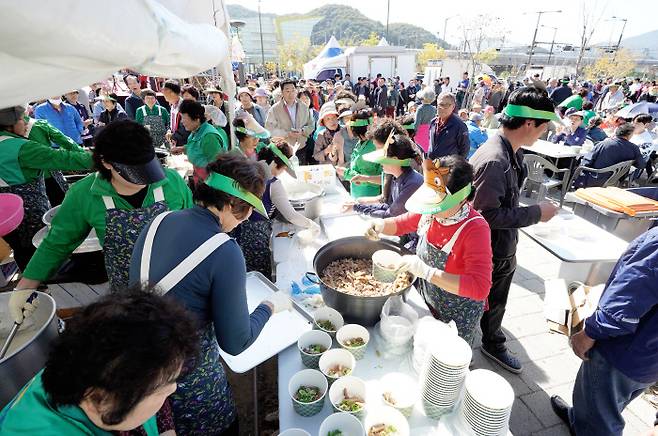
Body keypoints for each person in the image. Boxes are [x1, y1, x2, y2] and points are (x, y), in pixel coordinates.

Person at [129, 154, 292, 435]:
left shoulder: (158, 222)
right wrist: (268, 306)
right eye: (247, 208)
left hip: (137, 375)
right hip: (189, 385)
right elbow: (236, 343)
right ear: (230, 204)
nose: (249, 217)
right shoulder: (224, 249)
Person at [9, 121, 192, 313]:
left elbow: (193, 229)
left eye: (148, 169)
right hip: (129, 298)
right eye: (135, 173)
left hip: (182, 288)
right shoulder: (85, 194)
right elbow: (57, 243)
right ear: (106, 162)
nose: (144, 180)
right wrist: (24, 287)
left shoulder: (171, 181)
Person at [0, 290, 199, 435]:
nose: (172, 389)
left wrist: (166, 430)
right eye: (160, 390)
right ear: (98, 401)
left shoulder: (92, 368)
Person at [470, 86, 560, 373]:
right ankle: (493, 344)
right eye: (544, 126)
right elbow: (486, 214)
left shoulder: (510, 150)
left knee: (492, 299)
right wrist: (536, 213)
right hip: (493, 249)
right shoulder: (496, 160)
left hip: (501, 244)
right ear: (529, 123)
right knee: (494, 300)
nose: (544, 133)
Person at [365, 156, 492, 344]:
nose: (431, 209)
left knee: (445, 357)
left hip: (457, 310)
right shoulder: (431, 210)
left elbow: (480, 287)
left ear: (462, 198)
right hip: (428, 296)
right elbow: (404, 222)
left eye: (438, 204)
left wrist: (427, 272)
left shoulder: (475, 229)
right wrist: (381, 225)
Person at [550, 226, 658, 436]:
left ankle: (589, 426)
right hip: (648, 360)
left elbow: (627, 300)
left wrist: (589, 333)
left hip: (621, 352)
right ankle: (579, 421)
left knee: (602, 418)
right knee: (608, 401)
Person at [0, 106, 93, 271]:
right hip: (28, 211)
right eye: (22, 119)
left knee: (20, 249)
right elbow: (63, 158)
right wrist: (100, 158)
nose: (26, 123)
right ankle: (42, 285)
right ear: (10, 125)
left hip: (5, 214)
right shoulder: (21, 148)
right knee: (38, 251)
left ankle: (30, 290)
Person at [232, 142, 319, 278]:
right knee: (259, 277)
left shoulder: (249, 169)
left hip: (238, 229)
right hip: (256, 236)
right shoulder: (273, 184)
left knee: (243, 274)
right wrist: (311, 224)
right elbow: (291, 216)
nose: (282, 172)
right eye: (283, 168)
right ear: (274, 163)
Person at [343, 133, 423, 220]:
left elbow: (390, 214)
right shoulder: (395, 177)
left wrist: (357, 208)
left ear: (395, 160)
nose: (381, 163)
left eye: (383, 159)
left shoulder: (412, 183)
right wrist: (357, 205)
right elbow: (387, 206)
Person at [575, 123, 646, 188]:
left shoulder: (603, 144)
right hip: (615, 181)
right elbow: (641, 165)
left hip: (593, 179)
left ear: (616, 132)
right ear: (630, 135)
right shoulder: (634, 148)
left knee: (573, 168)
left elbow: (585, 163)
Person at [173, 99, 228, 184]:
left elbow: (217, 167)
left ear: (197, 119)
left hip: (210, 184)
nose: (182, 121)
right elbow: (198, 147)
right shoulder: (196, 131)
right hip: (199, 179)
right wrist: (183, 149)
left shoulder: (209, 137)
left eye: (184, 118)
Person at [336, 109, 382, 198]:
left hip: (371, 196)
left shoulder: (375, 146)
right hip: (356, 193)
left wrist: (346, 173)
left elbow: (382, 177)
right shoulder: (360, 142)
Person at [265, 79, 314, 158]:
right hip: (283, 149)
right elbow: (269, 129)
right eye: (287, 91)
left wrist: (302, 131)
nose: (291, 94)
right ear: (282, 92)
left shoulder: (303, 107)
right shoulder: (275, 109)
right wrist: (287, 134)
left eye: (293, 90)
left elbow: (311, 125)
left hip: (301, 147)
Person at [428, 93, 470, 159]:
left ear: (453, 107)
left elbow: (465, 149)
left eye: (446, 105)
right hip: (432, 164)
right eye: (440, 104)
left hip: (449, 167)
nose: (442, 108)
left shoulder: (459, 125)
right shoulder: (433, 122)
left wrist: (457, 166)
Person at [161, 79, 189, 148]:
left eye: (164, 90)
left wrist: (173, 136)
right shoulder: (173, 105)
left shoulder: (184, 106)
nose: (162, 92)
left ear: (171, 92)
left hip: (185, 144)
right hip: (176, 142)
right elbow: (172, 122)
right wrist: (169, 131)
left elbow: (186, 128)